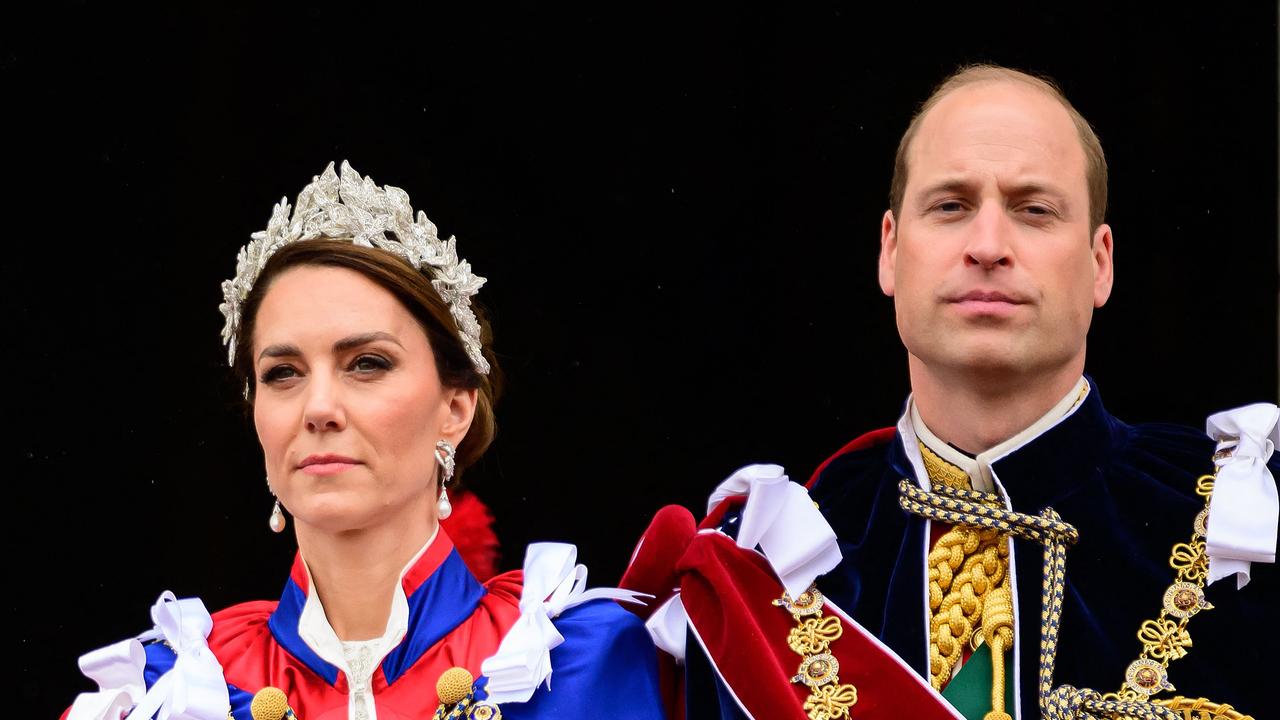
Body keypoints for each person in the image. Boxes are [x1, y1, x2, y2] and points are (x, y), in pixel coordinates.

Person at [621, 65, 1278, 720]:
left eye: (1033, 209)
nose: (988, 246)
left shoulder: (1250, 523)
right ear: (890, 250)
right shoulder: (759, 568)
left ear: (1100, 263)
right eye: (951, 206)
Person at [63, 161, 666, 720]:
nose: (319, 408)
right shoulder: (173, 691)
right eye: (283, 374)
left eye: (367, 363)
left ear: (455, 408)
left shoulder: (568, 664)